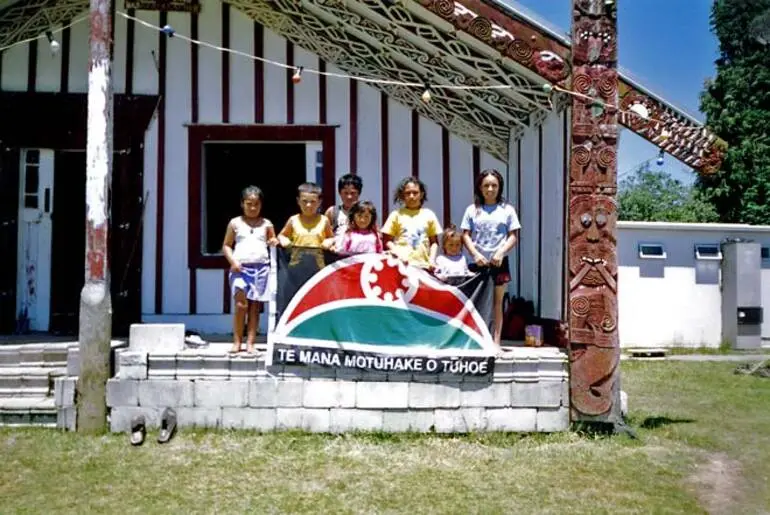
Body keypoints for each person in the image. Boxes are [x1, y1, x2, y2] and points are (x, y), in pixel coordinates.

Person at [461, 169, 521, 347]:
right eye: (486, 185)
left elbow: (513, 236)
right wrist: (475, 254)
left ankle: (495, 342)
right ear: (479, 187)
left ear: (500, 187)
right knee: (475, 302)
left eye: (494, 185)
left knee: (497, 303)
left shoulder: (507, 210)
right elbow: (465, 235)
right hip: (477, 263)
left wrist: (501, 252)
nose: (490, 189)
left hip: (499, 263)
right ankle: (475, 341)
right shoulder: (472, 210)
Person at [222, 186, 277, 354]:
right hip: (240, 268)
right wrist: (233, 261)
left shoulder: (267, 224)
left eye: (256, 204)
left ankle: (251, 343)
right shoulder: (235, 223)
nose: (253, 208)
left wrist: (274, 240)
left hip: (260, 268)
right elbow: (226, 245)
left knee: (254, 306)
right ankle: (237, 342)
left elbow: (272, 240)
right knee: (241, 304)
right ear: (242, 204)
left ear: (261, 205)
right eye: (249, 204)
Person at [381, 176, 442, 270]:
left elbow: (434, 242)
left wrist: (432, 260)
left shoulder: (429, 214)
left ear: (421, 194)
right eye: (408, 193)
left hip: (423, 266)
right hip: (402, 266)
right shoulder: (396, 215)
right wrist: (397, 253)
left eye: (415, 193)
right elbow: (387, 240)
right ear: (402, 196)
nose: (411, 196)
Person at [277, 182, 334, 268]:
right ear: (298, 201)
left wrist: (329, 241)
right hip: (297, 265)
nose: (308, 205)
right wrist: (284, 240)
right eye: (304, 201)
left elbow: (331, 237)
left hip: (317, 266)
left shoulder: (324, 220)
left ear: (319, 202)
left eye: (313, 202)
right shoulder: (293, 220)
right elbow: (281, 235)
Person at [324, 173, 363, 238]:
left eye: (353, 193)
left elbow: (376, 234)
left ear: (359, 193)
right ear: (340, 193)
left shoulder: (366, 212)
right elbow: (324, 235)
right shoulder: (332, 212)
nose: (349, 197)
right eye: (345, 193)